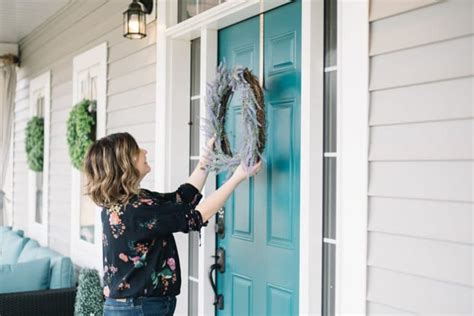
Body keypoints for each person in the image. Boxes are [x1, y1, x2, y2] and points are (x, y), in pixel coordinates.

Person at [83, 132, 262, 316]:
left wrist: (206, 161)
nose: (144, 151)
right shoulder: (135, 210)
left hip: (133, 306)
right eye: (137, 150)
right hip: (137, 308)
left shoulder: (131, 203)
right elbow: (197, 216)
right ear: (125, 164)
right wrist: (238, 177)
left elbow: (182, 199)